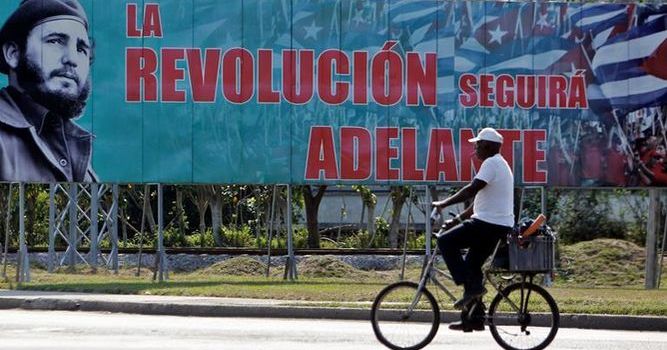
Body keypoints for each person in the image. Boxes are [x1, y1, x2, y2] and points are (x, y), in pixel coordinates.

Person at [0, 0, 96, 182]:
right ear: (13, 54)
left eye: (81, 49)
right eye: (56, 41)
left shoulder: (78, 147)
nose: (72, 59)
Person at [432, 127, 514, 332]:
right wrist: (456, 219)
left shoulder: (491, 163)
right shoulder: (499, 165)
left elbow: (471, 189)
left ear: (488, 145)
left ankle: (468, 286)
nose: (475, 149)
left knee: (445, 241)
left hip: (488, 225)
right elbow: (477, 203)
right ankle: (474, 319)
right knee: (472, 265)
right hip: (496, 226)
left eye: (478, 145)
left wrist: (443, 204)